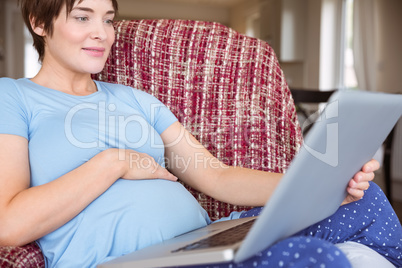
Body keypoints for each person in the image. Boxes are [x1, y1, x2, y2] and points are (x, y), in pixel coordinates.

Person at [0, 0, 400, 267]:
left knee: (363, 202)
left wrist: (321, 185)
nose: (102, 33)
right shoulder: (13, 96)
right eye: (83, 17)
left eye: (108, 19)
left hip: (202, 241)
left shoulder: (135, 99)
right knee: (311, 257)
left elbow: (215, 176)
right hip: (128, 260)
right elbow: (8, 224)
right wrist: (114, 162)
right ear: (39, 22)